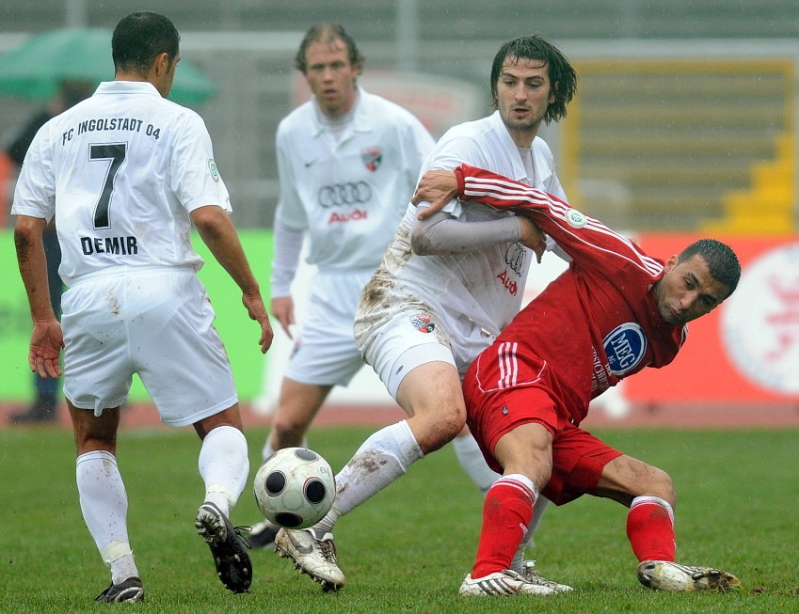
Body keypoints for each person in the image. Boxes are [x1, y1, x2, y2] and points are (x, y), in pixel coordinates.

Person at [273, 33, 577, 593]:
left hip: (478, 333)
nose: (519, 93)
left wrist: (632, 270)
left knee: (532, 447)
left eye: (533, 84)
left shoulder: (538, 158)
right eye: (509, 82)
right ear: (495, 87)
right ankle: (314, 523)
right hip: (406, 302)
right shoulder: (469, 141)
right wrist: (516, 227)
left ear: (551, 92)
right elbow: (425, 234)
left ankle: (504, 568)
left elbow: (561, 226)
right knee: (440, 417)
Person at [11, 11, 273, 603]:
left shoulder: (58, 128)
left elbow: (27, 230)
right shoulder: (178, 120)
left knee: (94, 440)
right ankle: (215, 505)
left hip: (87, 297)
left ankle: (123, 574)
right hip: (163, 290)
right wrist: (250, 291)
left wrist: (43, 319)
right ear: (163, 62)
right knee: (219, 426)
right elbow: (207, 216)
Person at [416, 163, 742, 596]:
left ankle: (663, 571)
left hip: (553, 417)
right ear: (670, 263)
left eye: (705, 301)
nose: (687, 302)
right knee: (532, 460)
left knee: (654, 484)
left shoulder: (671, 342)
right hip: (512, 372)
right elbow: (546, 205)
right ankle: (485, 575)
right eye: (687, 283)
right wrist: (463, 180)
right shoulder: (620, 259)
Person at [246, 23, 436, 550]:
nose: (327, 77)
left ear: (355, 67)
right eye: (317, 68)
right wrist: (281, 285)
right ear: (304, 74)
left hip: (392, 288)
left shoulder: (394, 125)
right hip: (329, 294)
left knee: (448, 415)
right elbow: (289, 215)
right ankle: (280, 518)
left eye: (336, 66)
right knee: (287, 423)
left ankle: (511, 520)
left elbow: (439, 180)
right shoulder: (292, 132)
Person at [3, 80, 93, 423]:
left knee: (48, 314)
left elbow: (14, 150)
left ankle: (46, 400)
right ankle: (108, 394)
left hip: (58, 232)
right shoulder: (86, 127)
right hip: (85, 233)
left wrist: (47, 115)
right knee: (87, 312)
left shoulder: (51, 128)